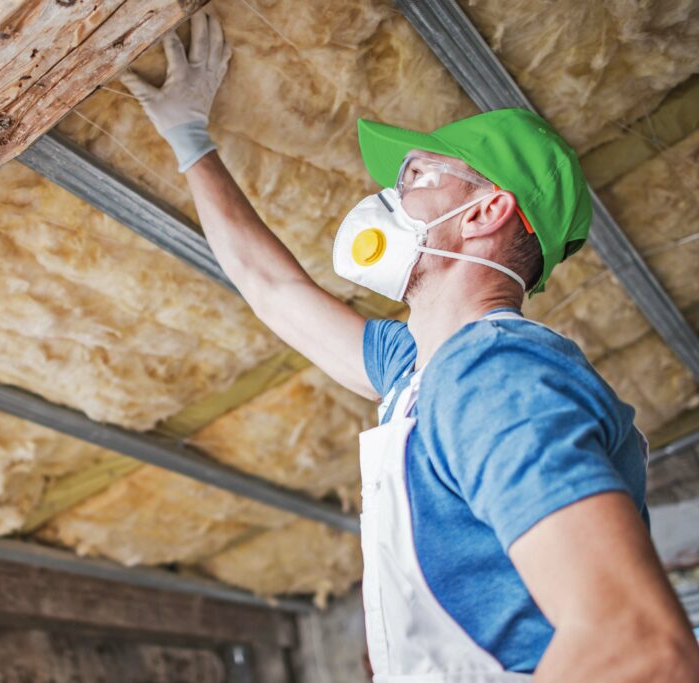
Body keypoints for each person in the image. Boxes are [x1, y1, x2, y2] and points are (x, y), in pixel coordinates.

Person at [120, 11, 699, 681]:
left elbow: (639, 646)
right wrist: (190, 140)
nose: (389, 194)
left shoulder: (495, 374)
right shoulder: (421, 373)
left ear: (487, 212)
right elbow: (273, 289)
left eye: (419, 176)